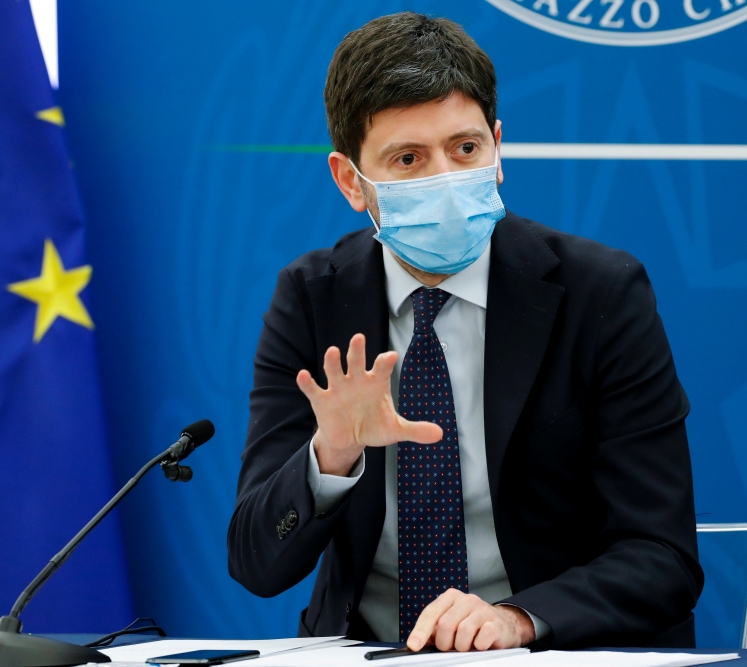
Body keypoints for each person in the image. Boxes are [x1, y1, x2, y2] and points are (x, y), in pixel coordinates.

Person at [228, 11, 702, 652]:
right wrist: (331, 455)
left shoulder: (601, 292)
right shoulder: (313, 300)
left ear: (497, 148)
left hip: (555, 652)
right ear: (351, 181)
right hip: (371, 655)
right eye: (408, 158)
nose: (446, 178)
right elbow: (258, 565)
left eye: (466, 148)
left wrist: (517, 619)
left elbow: (661, 555)